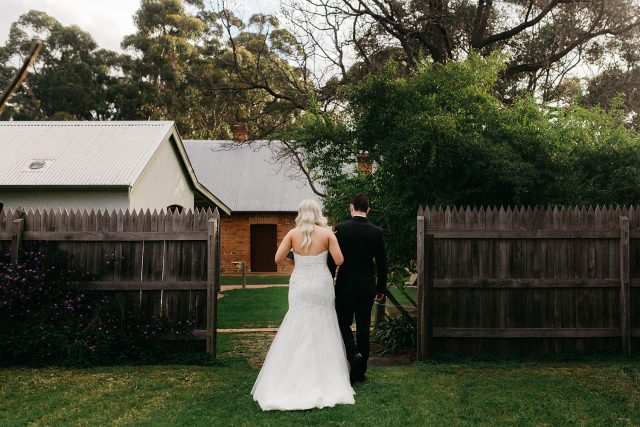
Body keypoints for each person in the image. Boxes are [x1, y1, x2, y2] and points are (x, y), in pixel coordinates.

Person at [251, 199, 355, 411]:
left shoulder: (292, 234)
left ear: (301, 214)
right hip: (321, 284)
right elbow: (340, 260)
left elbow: (277, 258)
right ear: (318, 213)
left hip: (299, 283)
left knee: (296, 322)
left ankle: (290, 377)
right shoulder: (327, 234)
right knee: (324, 323)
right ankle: (326, 377)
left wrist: (298, 261)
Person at [329, 193, 387, 383]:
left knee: (343, 324)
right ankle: (360, 371)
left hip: (345, 286)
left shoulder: (340, 230)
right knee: (363, 327)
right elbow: (382, 264)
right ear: (368, 209)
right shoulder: (377, 232)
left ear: (351, 207)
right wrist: (381, 289)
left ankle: (354, 356)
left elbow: (331, 261)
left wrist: (329, 281)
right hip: (367, 287)